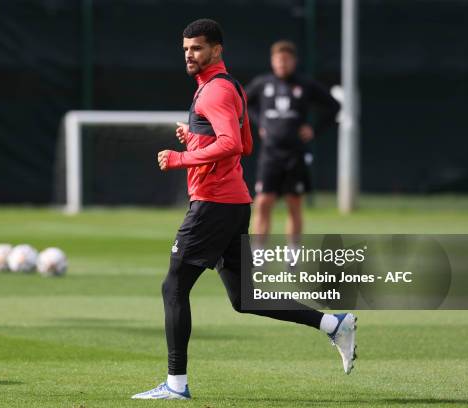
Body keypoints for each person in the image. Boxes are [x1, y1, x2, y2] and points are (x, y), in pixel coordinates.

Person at [131, 20, 356, 401]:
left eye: (198, 48)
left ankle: (176, 385)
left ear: (217, 50)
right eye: (186, 48)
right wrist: (198, 138)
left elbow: (233, 144)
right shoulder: (230, 85)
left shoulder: (213, 92)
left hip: (214, 205)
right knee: (244, 298)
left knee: (174, 286)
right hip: (235, 203)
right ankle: (333, 323)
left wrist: (181, 157)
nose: (189, 54)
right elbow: (247, 143)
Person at [246, 40, 340, 245]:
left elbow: (333, 107)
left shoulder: (305, 84)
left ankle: (293, 252)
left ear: (294, 62)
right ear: (272, 61)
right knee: (263, 201)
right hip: (270, 153)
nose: (282, 64)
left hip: (295, 153)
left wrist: (313, 129)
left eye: (286, 60)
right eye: (279, 60)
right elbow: (244, 102)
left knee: (294, 202)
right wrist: (259, 121)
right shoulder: (263, 84)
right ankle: (259, 253)